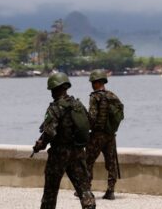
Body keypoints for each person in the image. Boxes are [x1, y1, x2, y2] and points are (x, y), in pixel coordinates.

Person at [32, 72, 96, 209]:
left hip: (59, 154)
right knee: (84, 188)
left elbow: (49, 132)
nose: (51, 93)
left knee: (50, 191)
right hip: (78, 152)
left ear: (55, 89)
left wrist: (40, 145)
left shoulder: (55, 108)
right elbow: (89, 122)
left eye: (52, 90)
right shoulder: (78, 104)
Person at [85, 69, 123, 200]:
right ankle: (111, 191)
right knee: (111, 163)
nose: (91, 84)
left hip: (97, 135)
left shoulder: (95, 97)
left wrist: (85, 127)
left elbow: (92, 117)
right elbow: (120, 114)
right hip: (111, 135)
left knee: (87, 161)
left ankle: (86, 189)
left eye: (92, 82)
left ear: (97, 82)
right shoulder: (112, 95)